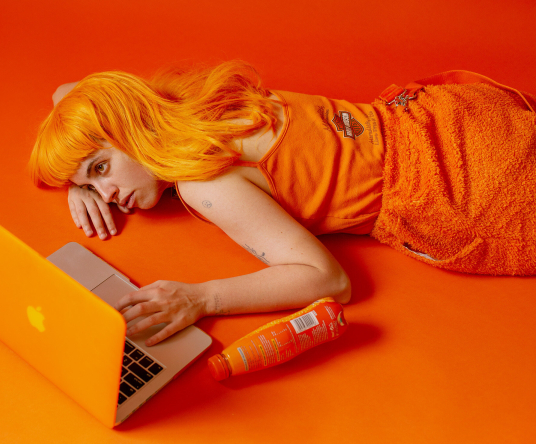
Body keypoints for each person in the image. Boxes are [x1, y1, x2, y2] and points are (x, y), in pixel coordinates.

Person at [29, 61, 536, 345]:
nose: (108, 195)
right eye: (94, 186)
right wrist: (77, 174)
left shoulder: (205, 183)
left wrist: (199, 299)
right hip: (448, 121)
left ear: (128, 127)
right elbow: (66, 91)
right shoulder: (184, 101)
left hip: (460, 185)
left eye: (101, 169)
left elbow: (328, 279)